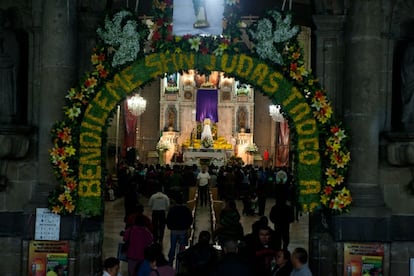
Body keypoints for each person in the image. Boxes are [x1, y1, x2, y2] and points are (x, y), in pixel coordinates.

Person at [166, 195, 193, 265]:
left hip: (174, 230)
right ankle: (181, 260)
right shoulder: (186, 209)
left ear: (175, 201)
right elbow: (190, 219)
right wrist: (187, 226)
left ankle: (170, 260)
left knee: (173, 246)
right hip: (183, 229)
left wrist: (170, 227)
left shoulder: (172, 209)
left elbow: (168, 219)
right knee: (182, 245)